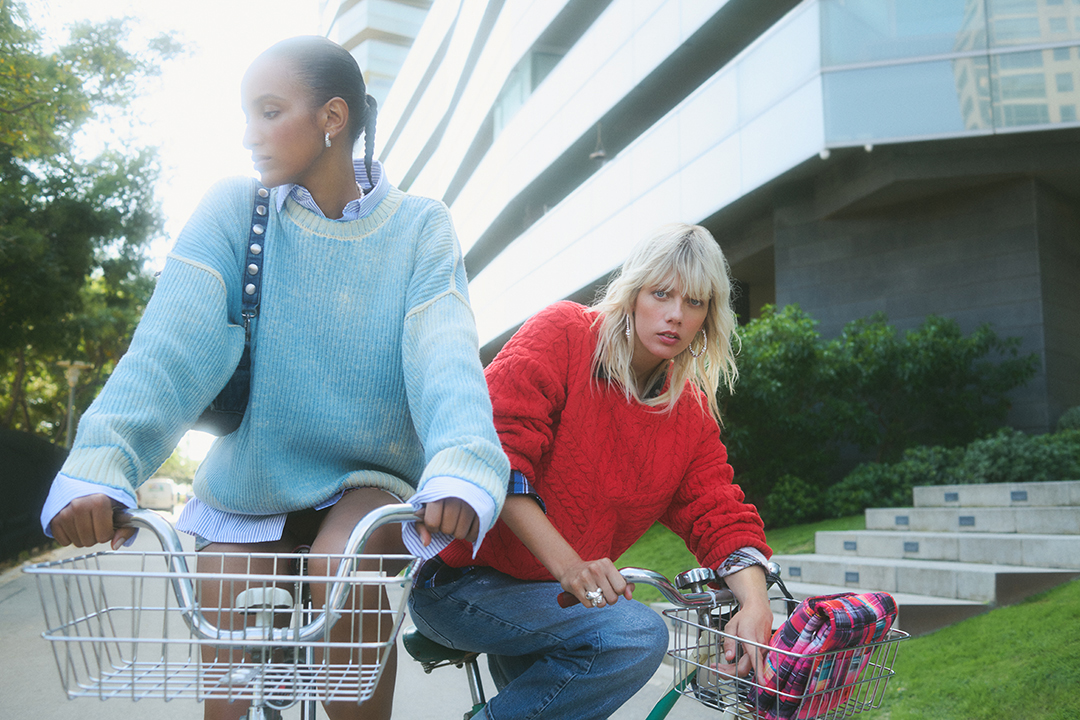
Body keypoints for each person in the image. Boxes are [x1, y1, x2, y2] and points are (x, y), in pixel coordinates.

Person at [39, 35, 508, 720]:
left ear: (332, 117)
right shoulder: (234, 210)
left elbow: (445, 352)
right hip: (250, 482)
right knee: (227, 677)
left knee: (339, 564)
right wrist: (100, 464)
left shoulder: (420, 226)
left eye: (267, 111)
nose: (249, 135)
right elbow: (167, 346)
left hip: (367, 479)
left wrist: (464, 466)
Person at [408, 223, 774, 720]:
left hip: (559, 602)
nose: (674, 316)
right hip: (463, 583)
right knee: (636, 634)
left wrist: (754, 604)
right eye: (660, 294)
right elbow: (498, 457)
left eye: (694, 302)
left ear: (710, 315)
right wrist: (572, 566)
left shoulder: (687, 412)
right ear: (632, 293)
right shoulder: (564, 334)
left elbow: (718, 508)